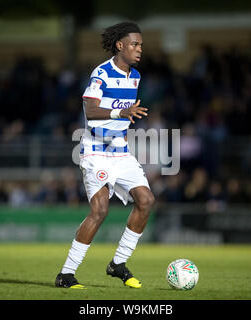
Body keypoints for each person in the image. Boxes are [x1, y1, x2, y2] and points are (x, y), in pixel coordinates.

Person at [55, 22, 154, 289]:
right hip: (96, 151)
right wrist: (120, 113)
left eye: (141, 45)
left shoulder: (135, 76)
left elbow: (123, 114)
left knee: (145, 201)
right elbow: (90, 109)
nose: (139, 49)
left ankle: (118, 264)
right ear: (120, 45)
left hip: (120, 151)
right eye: (135, 44)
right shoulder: (102, 72)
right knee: (99, 210)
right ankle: (66, 275)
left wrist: (125, 117)